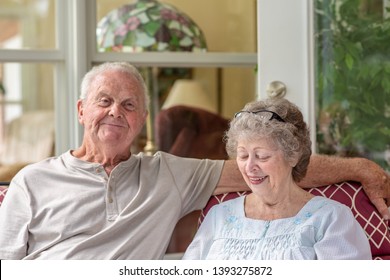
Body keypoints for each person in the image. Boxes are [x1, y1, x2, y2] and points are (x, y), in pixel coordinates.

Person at [0, 62, 388, 260]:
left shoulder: (167, 172)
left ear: (142, 119)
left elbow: (273, 165)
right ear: (82, 109)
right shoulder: (32, 181)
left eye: (129, 104)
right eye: (105, 100)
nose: (116, 111)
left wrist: (359, 168)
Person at [182, 98, 372, 260]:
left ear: (293, 155)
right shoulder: (219, 216)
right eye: (243, 156)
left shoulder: (331, 219)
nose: (250, 167)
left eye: (262, 156)